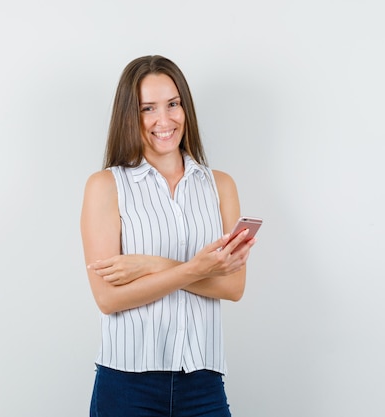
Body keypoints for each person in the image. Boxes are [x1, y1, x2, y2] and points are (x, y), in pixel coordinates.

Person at [80, 55, 257, 417]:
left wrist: (153, 265)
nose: (165, 120)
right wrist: (198, 269)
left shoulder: (220, 186)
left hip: (203, 383)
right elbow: (108, 298)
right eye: (148, 108)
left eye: (173, 104)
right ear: (130, 116)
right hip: (127, 385)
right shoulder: (106, 186)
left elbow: (233, 287)